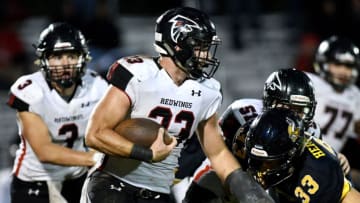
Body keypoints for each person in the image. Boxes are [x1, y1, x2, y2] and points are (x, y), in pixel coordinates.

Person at [81, 7, 273, 203]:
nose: (206, 56)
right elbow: (95, 134)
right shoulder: (138, 74)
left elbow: (217, 152)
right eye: (201, 47)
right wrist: (147, 153)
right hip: (112, 184)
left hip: (158, 194)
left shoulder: (208, 90)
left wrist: (247, 190)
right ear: (178, 45)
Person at [176, 68, 350, 202]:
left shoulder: (311, 131)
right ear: (268, 102)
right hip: (230, 179)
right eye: (286, 107)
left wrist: (334, 158)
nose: (292, 117)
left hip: (272, 187)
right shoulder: (241, 114)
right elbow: (217, 156)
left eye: (299, 110)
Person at [6, 22, 108, 203]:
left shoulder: (96, 85)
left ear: (83, 58)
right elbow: (44, 151)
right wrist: (94, 158)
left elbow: (106, 130)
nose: (65, 64)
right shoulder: (31, 90)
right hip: (36, 181)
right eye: (57, 57)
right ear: (44, 60)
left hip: (77, 178)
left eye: (71, 56)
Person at [185, 108, 360, 202]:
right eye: (255, 160)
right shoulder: (243, 137)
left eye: (268, 163)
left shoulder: (318, 171)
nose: (258, 170)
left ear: (290, 157)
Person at [308, 35, 360, 189]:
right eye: (337, 64)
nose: (344, 71)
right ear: (323, 63)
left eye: (349, 66)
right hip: (301, 155)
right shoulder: (311, 84)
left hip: (332, 162)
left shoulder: (355, 95)